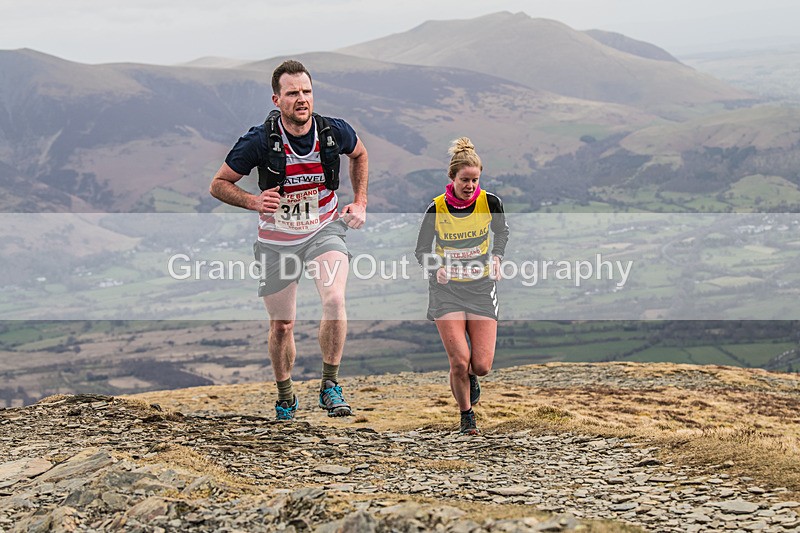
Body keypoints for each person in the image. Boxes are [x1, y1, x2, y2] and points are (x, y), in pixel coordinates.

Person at [210, 59, 368, 421]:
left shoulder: (333, 132)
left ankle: (330, 386)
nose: (302, 99)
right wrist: (253, 201)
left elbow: (359, 154)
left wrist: (360, 201)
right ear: (277, 99)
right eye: (293, 93)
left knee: (335, 299)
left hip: (324, 229)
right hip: (277, 239)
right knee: (282, 325)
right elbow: (218, 184)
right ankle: (285, 398)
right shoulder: (258, 141)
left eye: (307, 91)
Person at [414, 137, 509, 435]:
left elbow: (501, 232)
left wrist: (497, 257)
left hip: (481, 287)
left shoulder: (490, 203)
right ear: (452, 178)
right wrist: (436, 268)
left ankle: (472, 377)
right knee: (458, 361)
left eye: (475, 180)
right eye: (464, 180)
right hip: (447, 291)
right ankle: (466, 415)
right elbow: (421, 250)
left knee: (480, 365)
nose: (470, 186)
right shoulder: (437, 208)